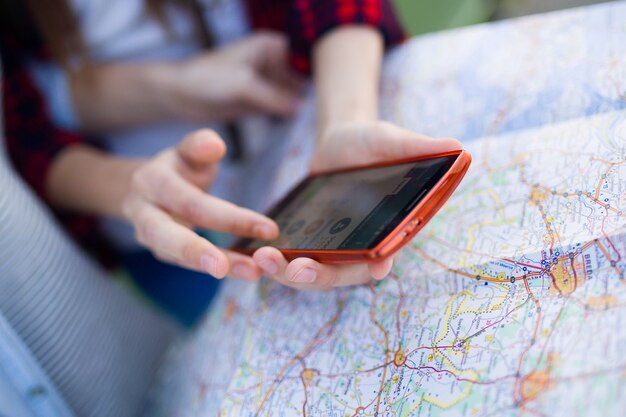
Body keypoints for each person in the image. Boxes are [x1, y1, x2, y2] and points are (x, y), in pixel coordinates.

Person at [1, 1, 462, 311]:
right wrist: (135, 188)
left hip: (296, 145)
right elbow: (24, 136)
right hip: (152, 227)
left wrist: (345, 121)